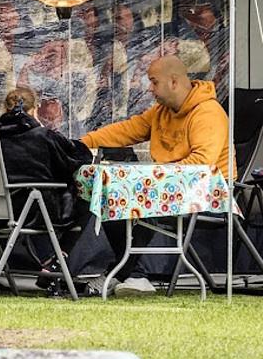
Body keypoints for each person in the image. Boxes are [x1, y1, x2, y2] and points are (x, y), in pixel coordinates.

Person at [79, 54, 233, 296]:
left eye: (154, 82)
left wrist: (152, 177)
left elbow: (202, 165)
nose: (149, 89)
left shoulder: (208, 113)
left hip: (208, 196)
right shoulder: (161, 111)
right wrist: (82, 143)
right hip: (170, 189)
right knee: (112, 195)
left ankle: (131, 274)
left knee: (135, 199)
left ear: (173, 81)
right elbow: (127, 130)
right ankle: (131, 274)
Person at [0, 87, 95, 296]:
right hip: (36, 212)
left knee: (41, 199)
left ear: (4, 108)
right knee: (88, 201)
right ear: (34, 110)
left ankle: (51, 262)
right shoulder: (44, 136)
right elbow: (80, 158)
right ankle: (56, 262)